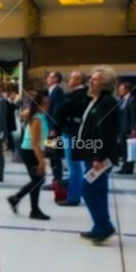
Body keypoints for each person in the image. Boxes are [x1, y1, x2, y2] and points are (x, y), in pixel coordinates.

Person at [75, 67, 120, 244]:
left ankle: (104, 226)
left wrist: (98, 157)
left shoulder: (107, 102)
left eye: (95, 80)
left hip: (99, 156)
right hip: (92, 153)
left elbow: (106, 132)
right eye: (91, 79)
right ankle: (99, 227)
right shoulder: (97, 100)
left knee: (89, 190)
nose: (90, 82)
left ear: (105, 84)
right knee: (98, 191)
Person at [7, 90, 51, 220]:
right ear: (39, 104)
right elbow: (35, 143)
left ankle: (19, 200)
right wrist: (41, 162)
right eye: (45, 103)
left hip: (31, 150)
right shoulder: (37, 119)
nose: (47, 106)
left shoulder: (38, 116)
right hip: (30, 151)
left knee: (37, 180)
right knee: (38, 180)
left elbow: (24, 113)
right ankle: (31, 208)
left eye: (48, 103)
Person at [57, 70, 88, 206]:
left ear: (79, 81)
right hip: (69, 131)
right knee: (74, 166)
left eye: (73, 77)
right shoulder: (73, 95)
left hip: (73, 132)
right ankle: (75, 194)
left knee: (74, 166)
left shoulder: (80, 95)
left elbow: (64, 110)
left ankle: (74, 197)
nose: (69, 79)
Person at [115, 81, 136, 175]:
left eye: (121, 89)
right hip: (121, 128)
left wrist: (133, 128)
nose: (120, 91)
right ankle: (124, 166)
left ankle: (129, 167)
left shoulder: (132, 100)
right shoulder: (121, 100)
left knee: (129, 149)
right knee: (123, 149)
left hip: (128, 127)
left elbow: (134, 115)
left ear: (127, 90)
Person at [46, 70, 65, 182]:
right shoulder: (52, 91)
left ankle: (57, 179)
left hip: (53, 129)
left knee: (54, 154)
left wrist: (53, 127)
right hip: (50, 127)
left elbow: (56, 111)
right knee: (51, 153)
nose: (48, 78)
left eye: (50, 76)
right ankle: (55, 178)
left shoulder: (58, 91)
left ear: (56, 79)